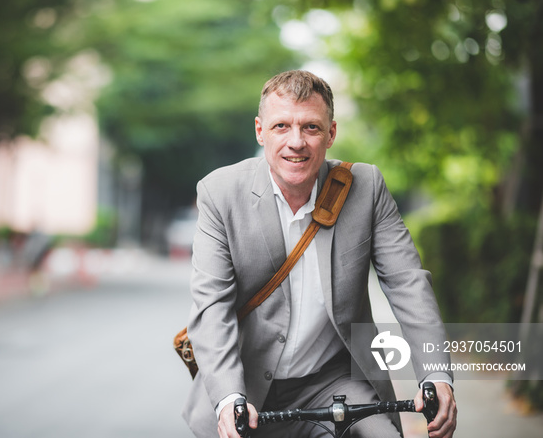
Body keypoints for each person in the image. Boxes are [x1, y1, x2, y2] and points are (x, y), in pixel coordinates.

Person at [182, 70, 457, 438]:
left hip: (336, 382)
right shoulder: (220, 193)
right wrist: (229, 395)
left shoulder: (366, 187)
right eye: (282, 126)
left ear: (331, 134)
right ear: (260, 131)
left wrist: (436, 373)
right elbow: (211, 306)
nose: (296, 142)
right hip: (247, 389)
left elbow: (408, 284)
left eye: (311, 128)